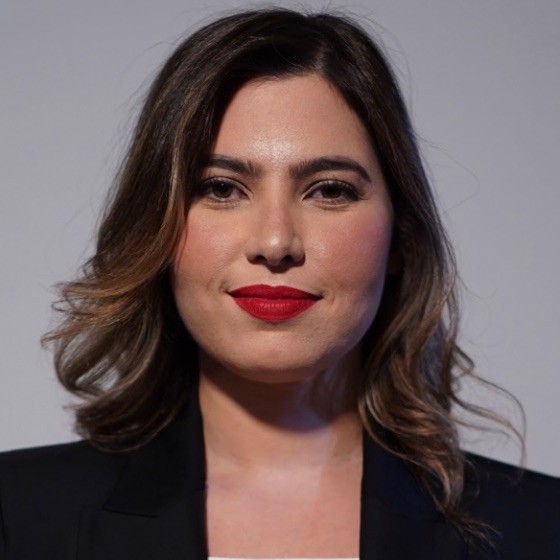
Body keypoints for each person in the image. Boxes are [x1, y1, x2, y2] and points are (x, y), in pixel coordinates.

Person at [0, 8, 558, 560]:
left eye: (330, 190)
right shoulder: (17, 516)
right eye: (220, 188)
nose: (274, 242)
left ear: (400, 236)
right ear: (157, 229)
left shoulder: (543, 530)